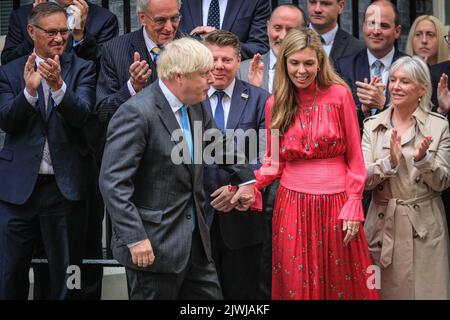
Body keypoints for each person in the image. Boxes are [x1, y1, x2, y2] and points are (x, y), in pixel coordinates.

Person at [99, 37, 256, 300]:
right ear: (179, 76)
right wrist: (134, 238)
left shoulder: (195, 105)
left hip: (196, 245)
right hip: (152, 248)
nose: (211, 79)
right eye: (204, 73)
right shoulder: (137, 113)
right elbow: (113, 183)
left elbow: (217, 145)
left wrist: (246, 179)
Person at [248, 28, 378, 300]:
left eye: (308, 63)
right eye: (294, 63)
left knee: (341, 285)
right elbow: (273, 162)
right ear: (284, 63)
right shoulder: (276, 103)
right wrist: (250, 187)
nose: (301, 70)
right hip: (292, 207)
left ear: (320, 62)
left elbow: (355, 157)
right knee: (296, 284)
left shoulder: (340, 95)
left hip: (338, 205)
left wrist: (354, 202)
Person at [0, 2, 96, 299]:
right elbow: (6, 119)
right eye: (51, 32)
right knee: (9, 272)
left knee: (68, 275)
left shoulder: (83, 68)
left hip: (64, 188)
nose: (59, 38)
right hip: (17, 191)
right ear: (31, 31)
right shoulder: (10, 72)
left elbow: (83, 115)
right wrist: (29, 92)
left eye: (64, 32)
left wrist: (58, 88)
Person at [362, 56, 450, 299]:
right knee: (377, 293)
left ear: (422, 88)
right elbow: (362, 179)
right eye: (393, 80)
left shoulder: (438, 126)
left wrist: (423, 161)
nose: (396, 87)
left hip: (425, 229)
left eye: (405, 82)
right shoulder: (372, 125)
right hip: (381, 228)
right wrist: (389, 162)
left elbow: (443, 181)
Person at [202, 30, 269, 299]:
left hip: (243, 216)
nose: (219, 65)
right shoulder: (190, 96)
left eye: (226, 60)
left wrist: (238, 188)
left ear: (238, 61)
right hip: (199, 213)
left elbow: (266, 156)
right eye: (213, 58)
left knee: (243, 295)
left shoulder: (259, 99)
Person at [96, 0, 180, 123]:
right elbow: (104, 112)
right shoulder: (114, 50)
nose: (169, 28)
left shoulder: (192, 48)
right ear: (142, 18)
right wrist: (132, 87)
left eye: (174, 18)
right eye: (160, 20)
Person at [334, 0, 406, 134]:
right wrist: (363, 110)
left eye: (383, 26)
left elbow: (419, 116)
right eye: (371, 24)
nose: (376, 31)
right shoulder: (343, 67)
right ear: (363, 27)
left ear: (397, 31)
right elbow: (335, 119)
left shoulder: (411, 68)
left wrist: (384, 104)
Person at [1, 0, 119, 65]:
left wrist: (80, 35)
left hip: (80, 95)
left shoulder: (105, 19)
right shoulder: (21, 15)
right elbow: (8, 61)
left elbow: (105, 68)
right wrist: (37, 32)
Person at [238, 4, 306, 93]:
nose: (282, 36)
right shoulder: (242, 70)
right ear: (268, 27)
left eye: (290, 30)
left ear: (304, 31)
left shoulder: (311, 71)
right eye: (277, 28)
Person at [178, 0, 271, 60]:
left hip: (235, 79)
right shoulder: (180, 2)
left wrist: (220, 39)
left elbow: (260, 47)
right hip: (188, 77)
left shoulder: (255, 2)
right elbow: (169, 40)